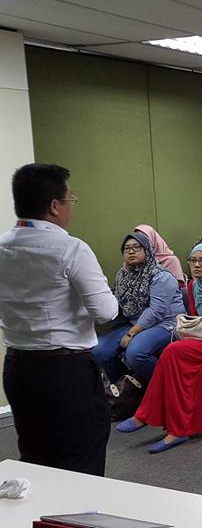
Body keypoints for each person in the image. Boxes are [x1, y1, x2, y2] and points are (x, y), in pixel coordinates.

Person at [0, 163, 118, 476]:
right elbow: (106, 312)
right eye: (70, 200)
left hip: (18, 368)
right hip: (65, 372)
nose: (71, 208)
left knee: (36, 456)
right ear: (55, 206)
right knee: (81, 458)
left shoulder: (2, 246)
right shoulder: (70, 248)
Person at [116, 242, 202, 453]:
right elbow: (198, 321)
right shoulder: (194, 287)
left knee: (174, 351)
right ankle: (176, 428)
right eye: (193, 260)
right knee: (179, 358)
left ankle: (149, 416)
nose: (196, 265)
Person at [93, 232, 184, 383]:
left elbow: (156, 311)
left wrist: (131, 334)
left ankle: (168, 385)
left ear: (147, 250)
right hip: (135, 322)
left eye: (137, 247)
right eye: (127, 248)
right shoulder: (123, 275)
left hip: (165, 323)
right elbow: (119, 303)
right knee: (99, 351)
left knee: (135, 353)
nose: (131, 251)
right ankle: (130, 386)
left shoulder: (161, 276)